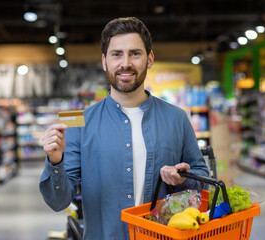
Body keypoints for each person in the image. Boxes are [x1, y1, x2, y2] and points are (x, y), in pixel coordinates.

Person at [39, 17, 209, 239]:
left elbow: (204, 183)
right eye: (116, 54)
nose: (125, 63)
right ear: (104, 61)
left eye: (135, 53)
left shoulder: (177, 118)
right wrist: (55, 162)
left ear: (149, 59)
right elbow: (58, 201)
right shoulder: (78, 122)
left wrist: (184, 179)